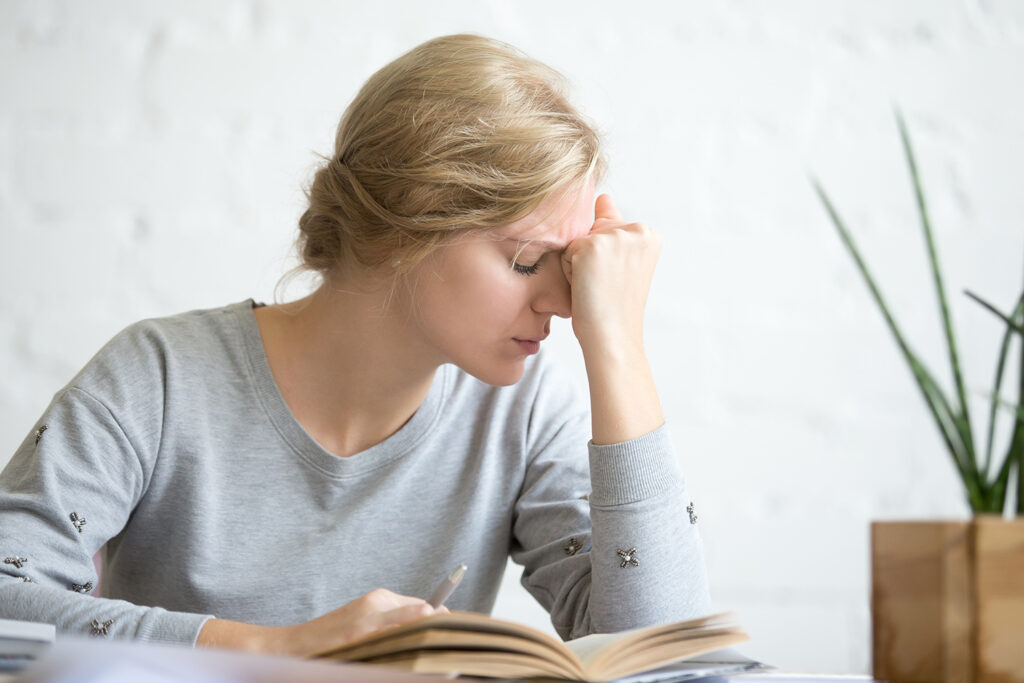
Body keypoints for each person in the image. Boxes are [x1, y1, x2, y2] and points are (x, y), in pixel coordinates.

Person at [0, 34, 710, 656]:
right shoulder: (158, 378)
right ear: (407, 226)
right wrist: (280, 653)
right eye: (528, 261)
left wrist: (617, 345)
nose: (560, 302)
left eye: (571, 267)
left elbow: (659, 656)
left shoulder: (523, 411)